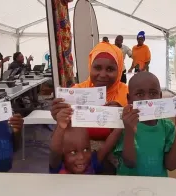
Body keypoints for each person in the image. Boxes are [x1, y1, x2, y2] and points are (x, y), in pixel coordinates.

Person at [50, 42, 128, 172]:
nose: (102, 74)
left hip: (115, 155)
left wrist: (122, 115)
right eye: (97, 68)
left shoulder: (128, 95)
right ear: (90, 67)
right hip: (79, 158)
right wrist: (56, 116)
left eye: (110, 69)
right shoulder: (76, 92)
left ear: (119, 69)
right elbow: (62, 133)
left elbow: (137, 133)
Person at [113, 72, 176, 177]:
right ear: (129, 99)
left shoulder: (167, 126)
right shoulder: (125, 124)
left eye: (153, 93)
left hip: (157, 186)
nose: (148, 99)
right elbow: (130, 163)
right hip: (128, 185)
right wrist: (129, 131)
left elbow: (171, 165)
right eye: (140, 94)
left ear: (160, 96)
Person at [49, 111, 121, 174]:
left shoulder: (92, 163)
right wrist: (60, 126)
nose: (81, 157)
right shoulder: (58, 165)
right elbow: (55, 150)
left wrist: (121, 123)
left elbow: (107, 146)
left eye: (86, 150)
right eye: (73, 152)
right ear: (62, 153)